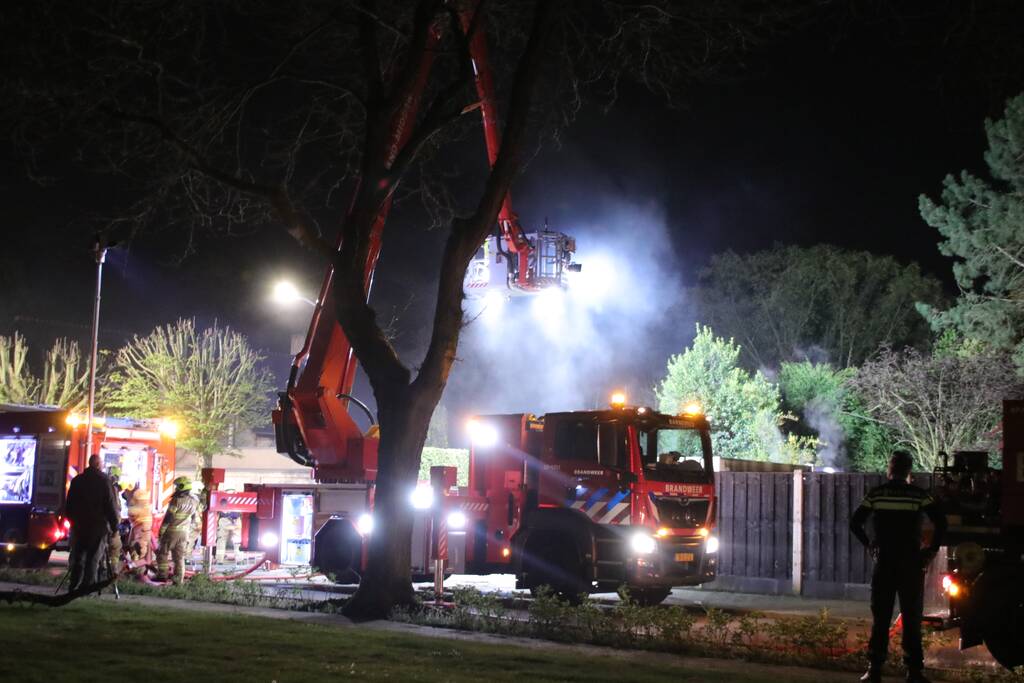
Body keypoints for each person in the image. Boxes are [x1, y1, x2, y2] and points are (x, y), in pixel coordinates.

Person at [850, 451, 947, 683]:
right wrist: (930, 552)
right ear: (909, 472)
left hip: (884, 562)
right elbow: (941, 523)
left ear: (889, 469)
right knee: (912, 619)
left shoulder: (877, 494)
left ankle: (874, 670)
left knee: (881, 618)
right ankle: (914, 672)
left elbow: (855, 523)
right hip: (911, 564)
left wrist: (869, 545)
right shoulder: (918, 495)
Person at [64, 454, 120, 591]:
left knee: (78, 556)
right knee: (93, 558)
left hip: (79, 525)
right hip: (97, 526)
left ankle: (73, 584)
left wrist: (72, 521)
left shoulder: (77, 480)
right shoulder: (104, 481)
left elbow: (69, 504)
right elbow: (110, 505)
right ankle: (87, 587)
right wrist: (114, 526)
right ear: (98, 465)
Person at [156, 476, 198, 584]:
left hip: (171, 532)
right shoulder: (194, 501)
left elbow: (168, 517)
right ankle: (178, 580)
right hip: (184, 534)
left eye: (178, 486)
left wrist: (161, 531)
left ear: (183, 486)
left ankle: (162, 575)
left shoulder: (176, 500)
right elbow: (194, 518)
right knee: (179, 558)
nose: (176, 488)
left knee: (162, 553)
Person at [124, 483, 153, 573]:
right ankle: (134, 568)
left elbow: (132, 512)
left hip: (141, 528)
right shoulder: (142, 499)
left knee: (141, 551)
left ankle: (135, 568)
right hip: (142, 527)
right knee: (140, 551)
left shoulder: (136, 500)